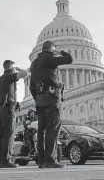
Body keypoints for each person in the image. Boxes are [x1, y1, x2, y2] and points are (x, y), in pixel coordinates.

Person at [29, 40, 73, 168]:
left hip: (40, 100)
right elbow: (69, 59)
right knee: (52, 130)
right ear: (51, 50)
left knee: (41, 131)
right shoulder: (50, 58)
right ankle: (50, 160)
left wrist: (37, 98)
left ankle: (41, 161)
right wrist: (60, 52)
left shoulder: (34, 63)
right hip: (51, 99)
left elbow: (32, 86)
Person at [0, 60, 28, 168]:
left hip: (0, 108)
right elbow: (25, 74)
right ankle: (6, 161)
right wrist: (17, 69)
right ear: (11, 67)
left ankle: (1, 161)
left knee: (1, 136)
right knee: (9, 135)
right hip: (8, 108)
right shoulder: (10, 76)